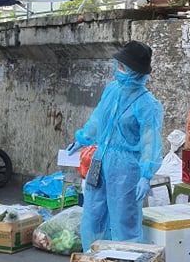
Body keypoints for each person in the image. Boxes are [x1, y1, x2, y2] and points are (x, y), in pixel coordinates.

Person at [69, 40, 164, 251]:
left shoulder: (147, 104)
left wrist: (146, 175)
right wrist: (82, 138)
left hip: (125, 170)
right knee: (93, 215)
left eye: (123, 66)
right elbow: (97, 119)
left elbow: (151, 142)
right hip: (100, 160)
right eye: (118, 65)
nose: (118, 69)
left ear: (136, 71)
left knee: (124, 221)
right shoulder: (112, 90)